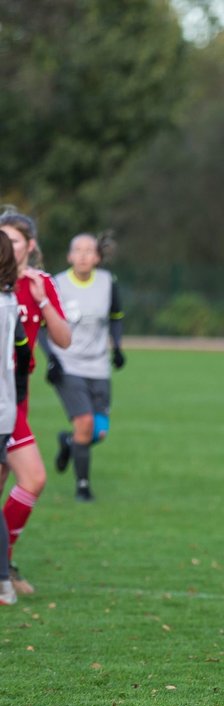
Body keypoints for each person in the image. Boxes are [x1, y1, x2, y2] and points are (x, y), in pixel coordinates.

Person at [0, 210, 72, 596]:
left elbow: (63, 339)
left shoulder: (40, 283)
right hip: (4, 402)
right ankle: (4, 567)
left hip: (16, 402)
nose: (7, 247)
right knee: (33, 478)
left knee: (29, 481)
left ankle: (3, 565)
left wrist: (44, 303)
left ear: (29, 245)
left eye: (13, 240)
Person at [43, 233, 125, 502]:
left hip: (99, 365)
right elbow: (42, 325)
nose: (82, 255)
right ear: (69, 256)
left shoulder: (106, 282)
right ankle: (83, 487)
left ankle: (69, 443)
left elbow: (116, 317)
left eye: (89, 250)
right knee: (85, 422)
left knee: (98, 431)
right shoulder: (56, 284)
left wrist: (118, 347)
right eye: (77, 250)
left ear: (98, 257)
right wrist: (51, 358)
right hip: (68, 364)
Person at [0, 232, 32, 605]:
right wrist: (19, 393)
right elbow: (23, 354)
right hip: (5, 412)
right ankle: (4, 583)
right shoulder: (10, 302)